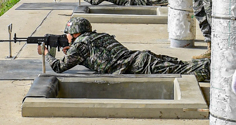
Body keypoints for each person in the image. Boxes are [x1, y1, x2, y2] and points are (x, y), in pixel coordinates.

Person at [39, 16, 209, 81]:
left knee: (187, 71)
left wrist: (46, 54)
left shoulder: (79, 46)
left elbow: (59, 68)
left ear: (75, 33)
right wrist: (72, 51)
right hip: (140, 57)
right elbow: (99, 55)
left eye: (68, 33)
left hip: (139, 65)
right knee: (181, 65)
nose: (66, 35)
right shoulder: (99, 36)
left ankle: (215, 70)